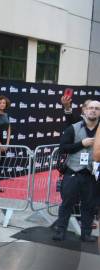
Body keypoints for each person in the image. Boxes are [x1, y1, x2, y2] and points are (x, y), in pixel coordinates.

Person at [53, 100, 99, 242]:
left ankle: (86, 234)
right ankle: (60, 231)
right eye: (91, 108)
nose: (93, 110)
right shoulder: (73, 128)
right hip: (73, 172)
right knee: (67, 203)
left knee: (89, 205)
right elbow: (63, 148)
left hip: (92, 174)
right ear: (84, 111)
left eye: (97, 108)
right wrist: (81, 144)